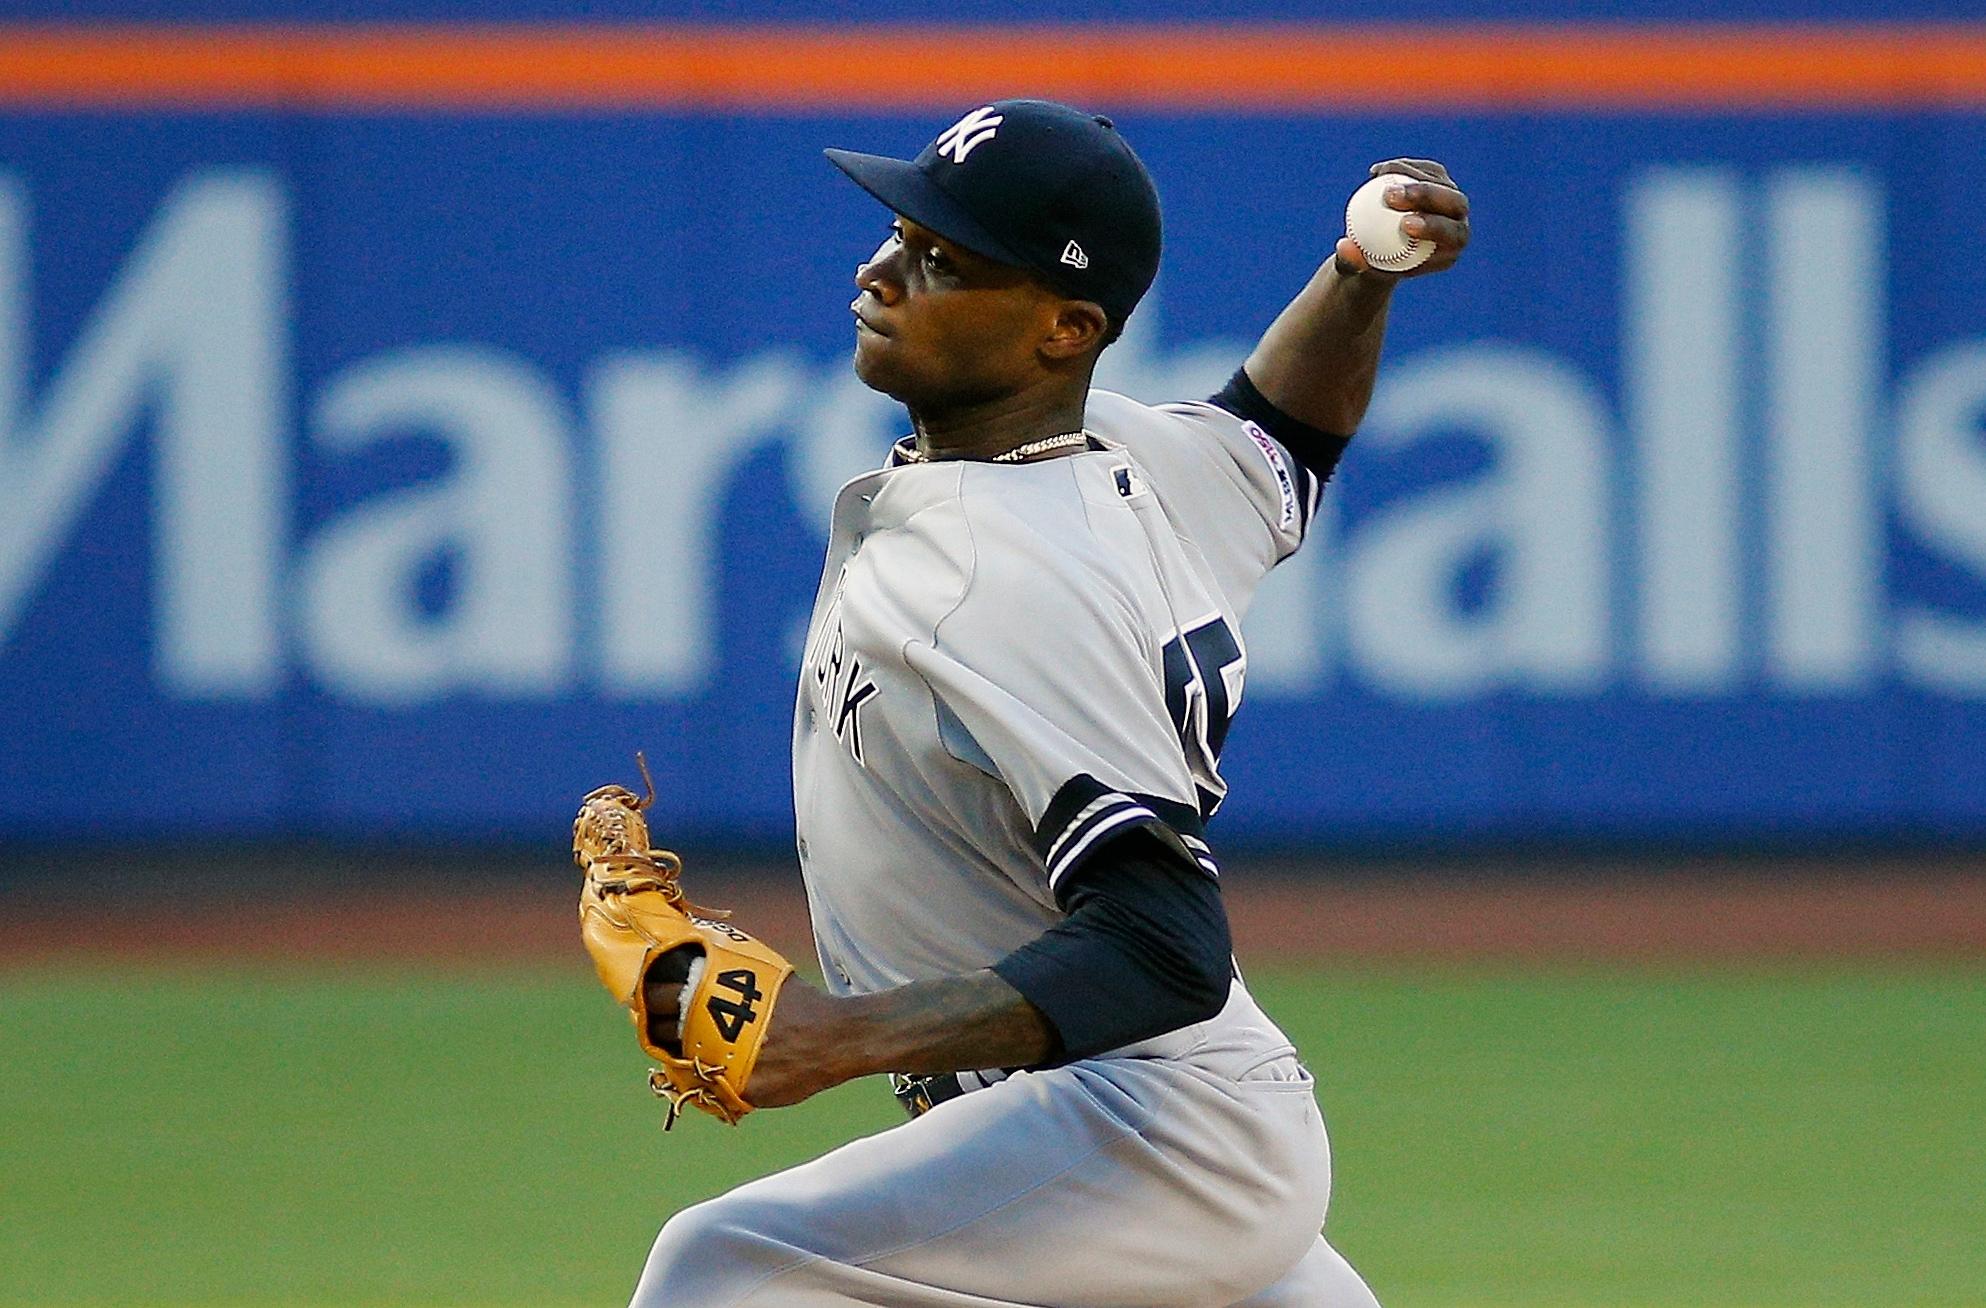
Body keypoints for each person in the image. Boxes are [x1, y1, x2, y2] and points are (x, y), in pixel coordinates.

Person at [628, 99, 1469, 1307]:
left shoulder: (998, 580)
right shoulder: (1132, 460)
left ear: (1064, 328)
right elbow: (1286, 435)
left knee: (721, 1268)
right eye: (900, 232)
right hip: (1171, 1119)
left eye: (942, 262)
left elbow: (1164, 944)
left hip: (1148, 1131)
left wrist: (838, 1039)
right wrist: (1356, 277)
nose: (882, 270)